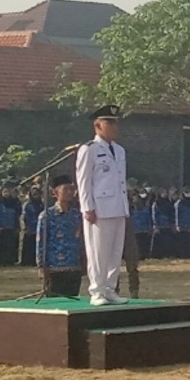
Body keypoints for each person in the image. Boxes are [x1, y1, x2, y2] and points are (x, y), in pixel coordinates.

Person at [76, 104, 131, 306]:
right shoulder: (89, 149)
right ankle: (97, 291)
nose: (114, 126)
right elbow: (84, 180)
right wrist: (86, 207)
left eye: (115, 122)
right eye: (110, 122)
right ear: (98, 125)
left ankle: (109, 288)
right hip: (99, 208)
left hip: (118, 206)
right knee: (98, 252)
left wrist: (125, 206)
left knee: (115, 252)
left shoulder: (119, 150)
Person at [37, 175, 85, 297]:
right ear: (55, 192)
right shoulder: (47, 216)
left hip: (74, 266)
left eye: (71, 189)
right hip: (54, 267)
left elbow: (83, 240)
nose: (69, 192)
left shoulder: (78, 215)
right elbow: (41, 242)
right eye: (66, 189)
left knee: (73, 299)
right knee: (55, 301)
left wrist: (84, 261)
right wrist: (41, 266)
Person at [0, 185, 23, 267]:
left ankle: (11, 260)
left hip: (12, 226)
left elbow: (18, 214)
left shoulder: (14, 203)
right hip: (1, 227)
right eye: (4, 192)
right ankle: (0, 261)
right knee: (1, 245)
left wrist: (17, 226)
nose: (6, 194)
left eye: (8, 192)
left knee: (11, 245)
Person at [20, 186, 44, 267]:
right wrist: (24, 227)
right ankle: (27, 261)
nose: (36, 195)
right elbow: (23, 216)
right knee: (28, 246)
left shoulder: (42, 204)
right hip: (30, 228)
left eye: (37, 194)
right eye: (34, 194)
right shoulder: (27, 205)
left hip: (39, 228)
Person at [151, 188, 176, 258]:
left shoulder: (169, 202)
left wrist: (173, 223)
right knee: (159, 241)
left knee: (168, 241)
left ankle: (168, 254)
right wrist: (156, 225)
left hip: (168, 225)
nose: (164, 193)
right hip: (160, 225)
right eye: (163, 192)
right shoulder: (156, 203)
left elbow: (172, 213)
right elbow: (154, 214)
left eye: (165, 192)